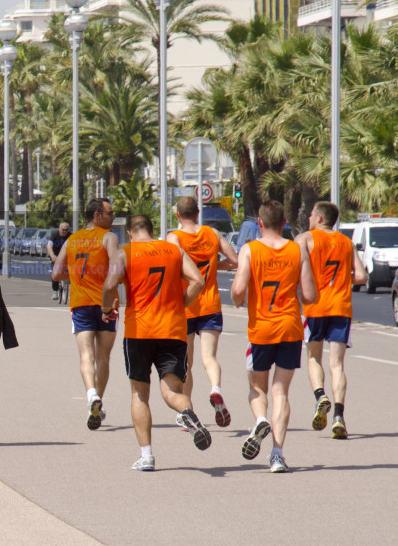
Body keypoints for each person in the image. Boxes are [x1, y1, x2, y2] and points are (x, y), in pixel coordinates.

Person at [101, 215, 207, 472]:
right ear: (151, 229)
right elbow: (199, 281)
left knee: (139, 393)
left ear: (130, 232)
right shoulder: (174, 250)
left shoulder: (125, 253)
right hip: (172, 330)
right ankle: (187, 414)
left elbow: (109, 284)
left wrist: (107, 309)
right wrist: (181, 304)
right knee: (172, 392)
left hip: (139, 331)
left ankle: (147, 456)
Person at [231, 200, 317, 473]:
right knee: (281, 392)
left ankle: (259, 420)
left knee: (257, 388)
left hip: (261, 330)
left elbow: (237, 291)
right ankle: (277, 455)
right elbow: (309, 296)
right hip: (290, 328)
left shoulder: (250, 250)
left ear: (259, 223)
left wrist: (239, 300)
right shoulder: (296, 250)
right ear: (284, 223)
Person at [166, 197, 238, 428]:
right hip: (210, 305)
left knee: (185, 364)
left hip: (186, 305)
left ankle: (188, 412)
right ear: (198, 212)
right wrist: (215, 267)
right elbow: (234, 260)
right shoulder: (212, 233)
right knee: (210, 358)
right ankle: (215, 388)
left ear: (178, 214)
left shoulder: (174, 237)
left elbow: (170, 265)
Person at [298, 201, 367, 440]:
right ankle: (339, 416)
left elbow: (294, 268)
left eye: (310, 214)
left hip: (314, 307)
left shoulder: (306, 239)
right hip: (340, 307)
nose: (308, 218)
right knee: (337, 364)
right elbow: (361, 276)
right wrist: (339, 278)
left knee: (313, 356)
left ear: (318, 218)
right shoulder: (346, 242)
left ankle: (320, 396)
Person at [50, 198, 119, 430]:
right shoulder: (109, 237)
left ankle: (91, 396)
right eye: (110, 213)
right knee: (104, 357)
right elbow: (117, 267)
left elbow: (56, 274)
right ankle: (98, 398)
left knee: (85, 355)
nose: (113, 217)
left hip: (80, 304)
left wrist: (80, 273)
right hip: (107, 304)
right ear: (97, 215)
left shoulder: (72, 239)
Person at [46, 222, 71, 300]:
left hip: (66, 256)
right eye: (63, 230)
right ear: (59, 229)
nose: (64, 232)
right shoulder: (54, 235)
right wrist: (52, 255)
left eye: (66, 230)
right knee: (55, 272)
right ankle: (55, 291)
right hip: (56, 256)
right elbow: (49, 245)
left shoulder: (70, 236)